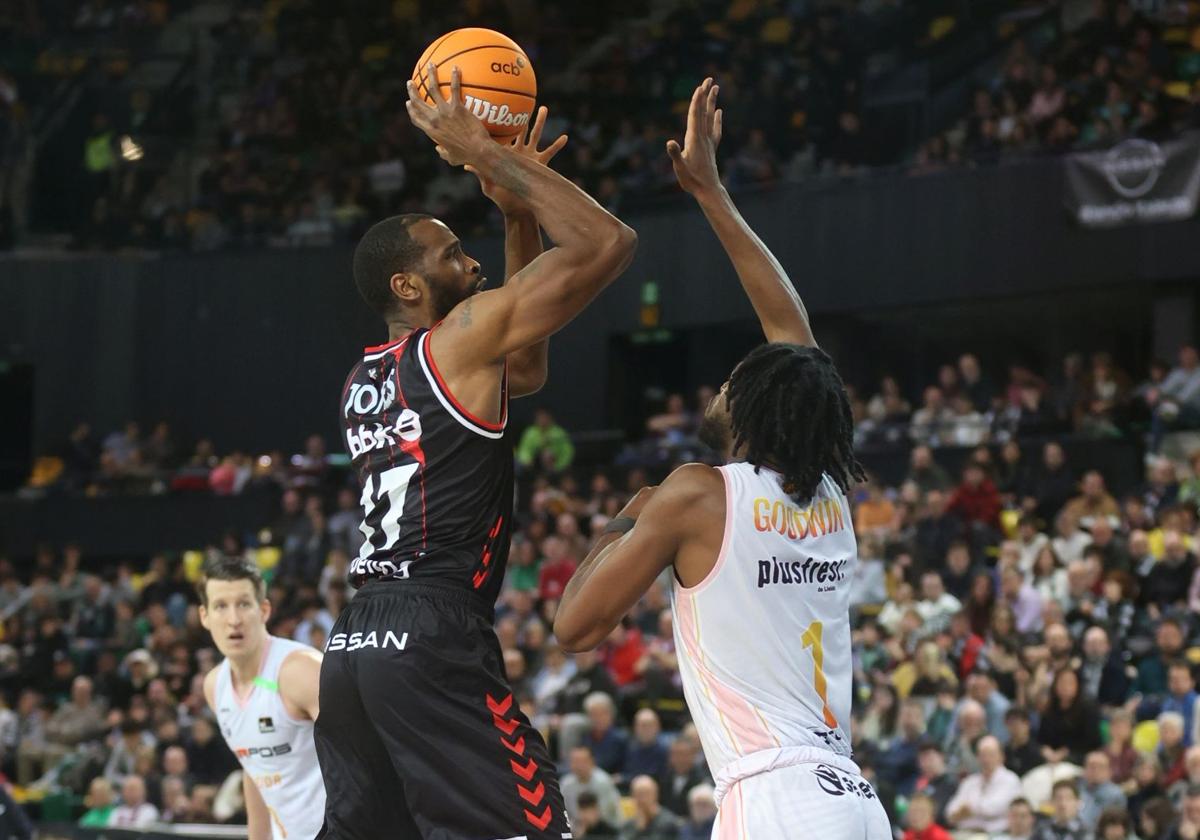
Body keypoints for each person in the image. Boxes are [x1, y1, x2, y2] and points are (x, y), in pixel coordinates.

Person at [554, 79, 888, 839]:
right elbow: (794, 337)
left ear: (754, 411)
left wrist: (623, 522)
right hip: (854, 800)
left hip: (773, 795)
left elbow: (574, 628)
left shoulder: (697, 495)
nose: (724, 381)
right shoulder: (829, 489)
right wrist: (711, 194)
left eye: (735, 380)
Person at [316, 66, 636, 839]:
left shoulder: (367, 376)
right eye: (452, 255)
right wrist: (492, 158)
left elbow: (523, 368)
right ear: (410, 285)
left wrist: (517, 217)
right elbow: (606, 241)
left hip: (355, 643)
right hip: (431, 630)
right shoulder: (457, 340)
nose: (474, 264)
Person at [198, 558, 324, 840]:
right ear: (204, 616)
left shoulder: (301, 671)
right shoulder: (214, 686)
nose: (234, 619)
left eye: (243, 604)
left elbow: (365, 758)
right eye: (220, 606)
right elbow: (254, 770)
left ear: (263, 609)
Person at [944, 736, 1024, 834]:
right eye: (983, 755)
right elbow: (950, 812)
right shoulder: (970, 781)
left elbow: (991, 809)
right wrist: (962, 812)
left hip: (997, 835)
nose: (986, 759)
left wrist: (966, 810)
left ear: (1001, 757)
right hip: (965, 833)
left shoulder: (1010, 779)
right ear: (977, 757)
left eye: (991, 754)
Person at [619, 775, 681, 839]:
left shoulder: (668, 823)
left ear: (656, 794)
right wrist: (639, 828)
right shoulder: (629, 824)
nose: (642, 799)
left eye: (646, 794)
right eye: (638, 795)